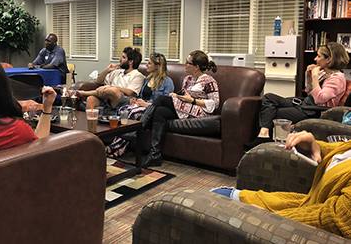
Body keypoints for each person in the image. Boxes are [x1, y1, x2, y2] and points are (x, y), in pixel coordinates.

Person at [212, 130, 351, 238]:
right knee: (218, 194)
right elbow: (343, 149)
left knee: (208, 205)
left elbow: (335, 220)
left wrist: (272, 217)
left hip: (302, 221)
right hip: (305, 203)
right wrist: (314, 146)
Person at [245, 42, 350, 150]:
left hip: (313, 111)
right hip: (305, 104)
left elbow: (320, 99)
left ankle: (263, 139)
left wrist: (314, 77)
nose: (315, 59)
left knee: (272, 113)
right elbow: (310, 92)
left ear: (329, 59)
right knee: (268, 97)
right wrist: (309, 76)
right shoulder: (325, 73)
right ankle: (264, 135)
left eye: (319, 56)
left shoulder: (337, 78)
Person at [141, 50, 220, 167]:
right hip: (184, 109)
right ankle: (155, 155)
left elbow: (215, 103)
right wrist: (177, 95)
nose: (184, 64)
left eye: (187, 63)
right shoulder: (187, 79)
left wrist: (192, 101)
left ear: (196, 67)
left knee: (162, 99)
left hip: (199, 111)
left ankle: (139, 127)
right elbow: (184, 96)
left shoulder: (209, 80)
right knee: (160, 111)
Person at [105, 53, 174, 158]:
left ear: (158, 66)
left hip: (153, 108)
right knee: (122, 111)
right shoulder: (146, 80)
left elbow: (166, 101)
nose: (146, 65)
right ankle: (119, 148)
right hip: (140, 105)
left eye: (149, 63)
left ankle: (116, 148)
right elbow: (140, 95)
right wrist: (135, 101)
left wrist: (147, 104)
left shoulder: (167, 81)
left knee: (132, 113)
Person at [72, 47, 145, 116]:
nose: (120, 59)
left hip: (124, 100)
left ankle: (81, 93)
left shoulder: (137, 75)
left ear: (131, 61)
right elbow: (98, 82)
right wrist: (107, 70)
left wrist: (112, 87)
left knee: (113, 90)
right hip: (108, 99)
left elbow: (129, 92)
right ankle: (90, 125)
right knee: (91, 99)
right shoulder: (117, 72)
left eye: (123, 57)